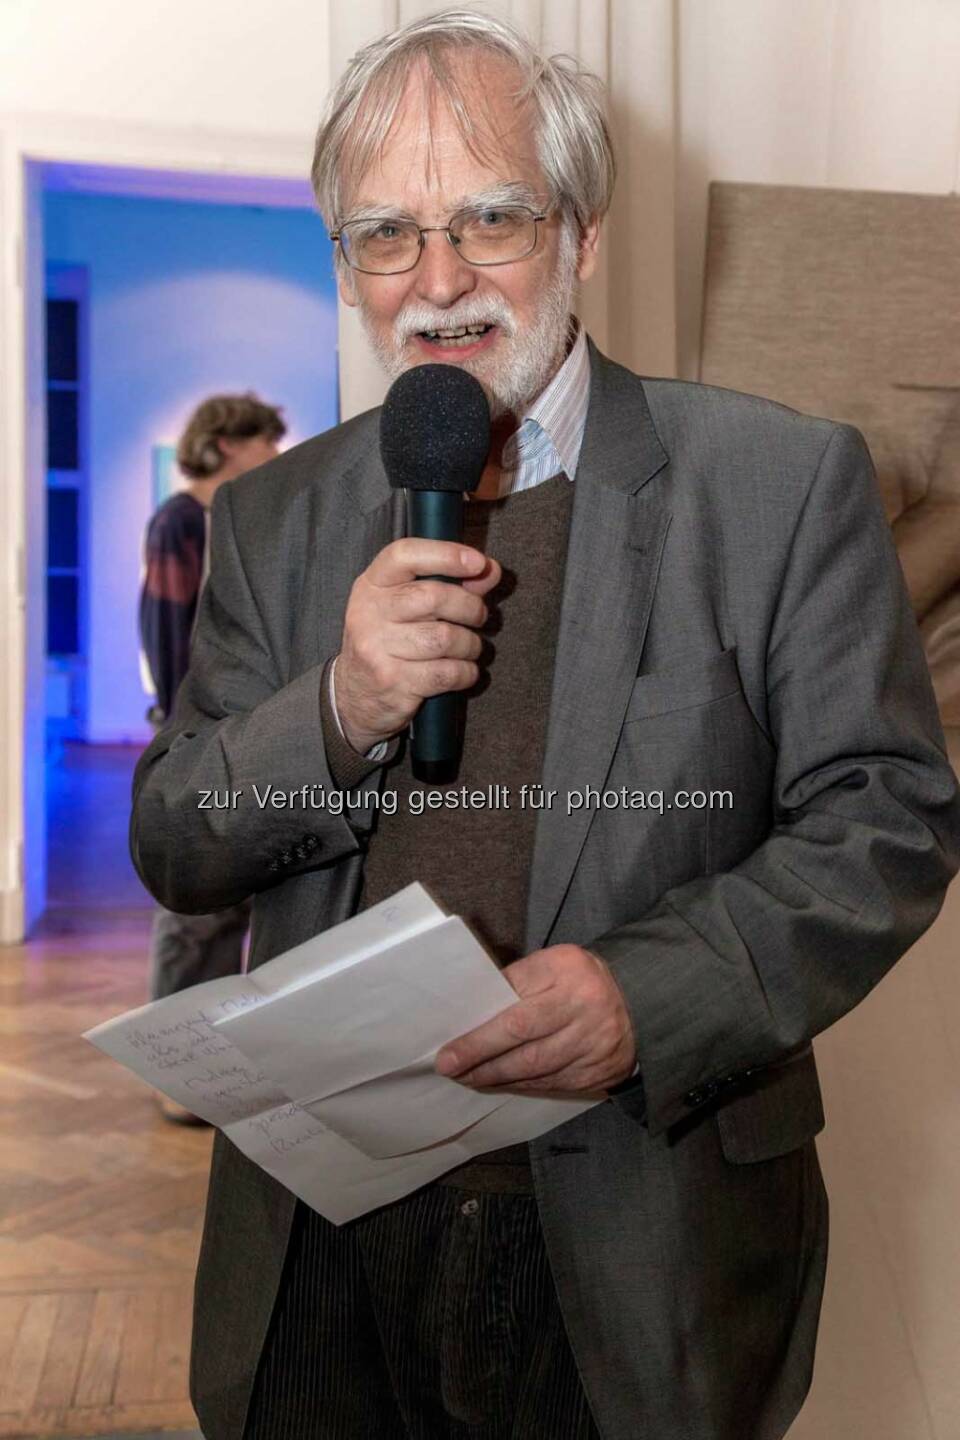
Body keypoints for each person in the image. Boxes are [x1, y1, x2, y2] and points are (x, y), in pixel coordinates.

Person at [130, 11, 960, 1440]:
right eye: (386, 234)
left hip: (643, 1234)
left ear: (579, 234)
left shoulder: (775, 484)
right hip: (324, 1235)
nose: (438, 281)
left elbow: (887, 821)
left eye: (491, 218)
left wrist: (651, 994)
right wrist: (338, 710)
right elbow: (175, 843)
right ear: (347, 271)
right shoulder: (275, 519)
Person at [139, 392, 284, 1123]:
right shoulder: (179, 522)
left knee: (234, 905)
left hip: (247, 727)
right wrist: (186, 733)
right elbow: (168, 630)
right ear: (229, 444)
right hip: (205, 736)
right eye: (267, 441)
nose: (276, 453)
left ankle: (219, 1066)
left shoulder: (241, 519)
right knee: (196, 908)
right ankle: (178, 1075)